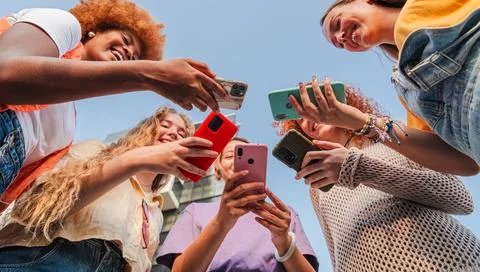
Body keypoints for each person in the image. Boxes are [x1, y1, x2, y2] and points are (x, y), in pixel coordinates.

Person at [0, 0, 227, 204]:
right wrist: (147, 74)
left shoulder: (66, 130)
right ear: (95, 31)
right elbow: (5, 73)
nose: (128, 53)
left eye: (135, 58)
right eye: (126, 40)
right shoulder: (64, 25)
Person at [275, 85, 480, 272]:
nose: (306, 120)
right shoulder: (318, 187)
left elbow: (460, 198)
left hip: (446, 262)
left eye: (313, 106)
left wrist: (358, 168)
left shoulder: (392, 138)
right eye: (300, 118)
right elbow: (335, 253)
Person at [308, 0, 480, 174]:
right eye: (338, 44)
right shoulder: (405, 89)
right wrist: (361, 121)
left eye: (337, 23)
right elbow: (465, 162)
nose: (341, 37)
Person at [0, 106, 217, 272]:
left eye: (181, 133)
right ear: (146, 129)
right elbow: (37, 208)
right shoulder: (95, 151)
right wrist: (135, 160)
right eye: (165, 125)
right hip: (50, 257)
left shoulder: (155, 212)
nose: (173, 133)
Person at [156, 137, 319, 272]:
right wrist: (221, 222)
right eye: (228, 156)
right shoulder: (195, 212)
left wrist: (284, 243)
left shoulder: (283, 216)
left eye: (246, 156)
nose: (236, 160)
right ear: (217, 170)